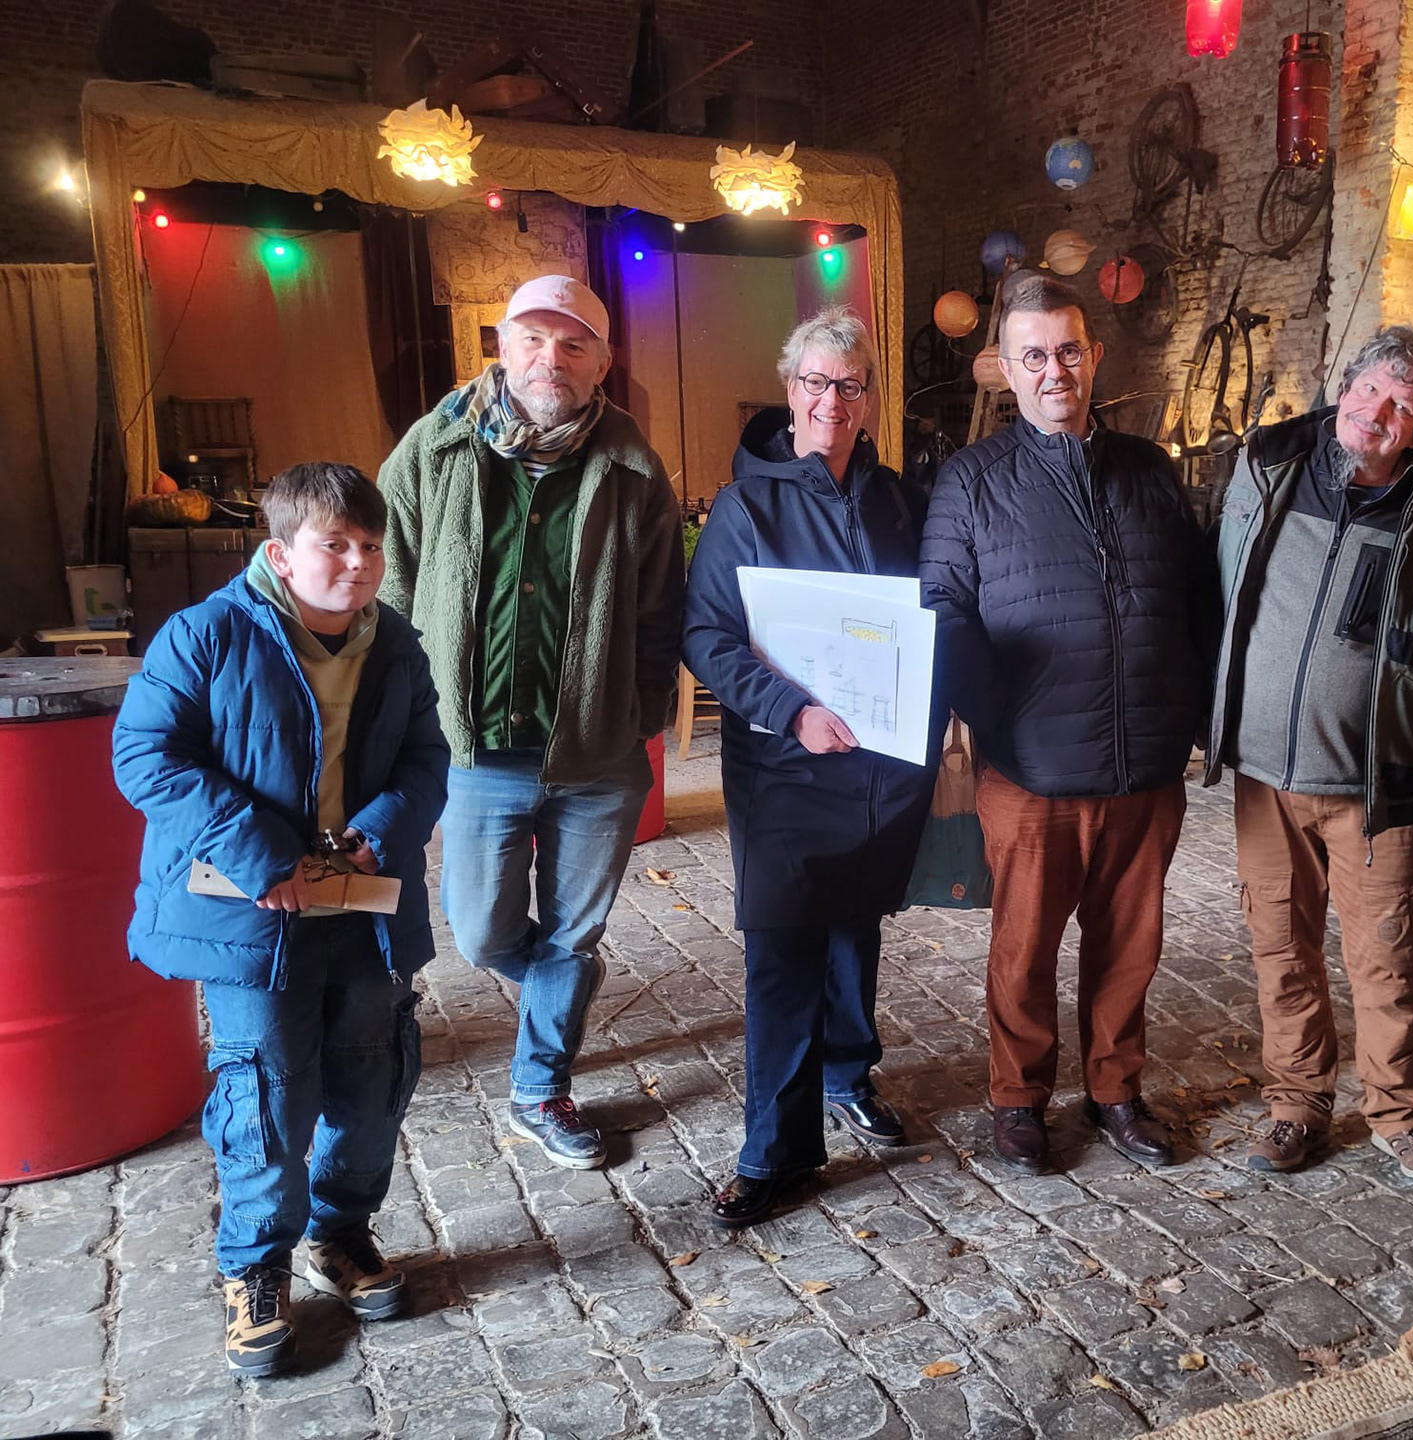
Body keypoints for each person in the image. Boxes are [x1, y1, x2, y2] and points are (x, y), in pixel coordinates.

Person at [112, 463, 449, 1377]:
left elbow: (427, 757)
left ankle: (340, 1235)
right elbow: (146, 754)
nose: (358, 563)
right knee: (266, 1090)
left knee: (372, 1078)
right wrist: (261, 855)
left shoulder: (396, 645)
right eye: (334, 544)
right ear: (281, 554)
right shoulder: (206, 635)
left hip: (360, 904)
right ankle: (256, 1268)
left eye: (371, 546)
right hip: (250, 912)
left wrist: (378, 833)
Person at [379, 275, 684, 1170]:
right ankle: (561, 979)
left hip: (598, 752)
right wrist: (398, 715)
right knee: (480, 932)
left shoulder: (633, 466)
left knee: (573, 930)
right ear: (503, 347)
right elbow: (391, 584)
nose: (552, 358)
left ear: (602, 362)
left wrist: (639, 719)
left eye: (574, 343)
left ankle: (539, 1085)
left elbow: (659, 609)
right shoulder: (433, 448)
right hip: (476, 751)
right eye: (534, 339)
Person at [921, 270, 1215, 1174]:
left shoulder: (1149, 471)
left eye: (1070, 352)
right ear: (1005, 370)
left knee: (1130, 946)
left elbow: (1198, 601)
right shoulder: (971, 481)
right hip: (1033, 768)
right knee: (1024, 949)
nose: (1056, 371)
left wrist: (1193, 716)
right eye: (1035, 356)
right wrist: (995, 719)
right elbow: (942, 611)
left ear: (1095, 356)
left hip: (1145, 762)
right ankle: (1018, 1098)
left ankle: (1116, 1090)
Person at [682, 307, 938, 1227]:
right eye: (817, 383)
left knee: (856, 926)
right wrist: (793, 711)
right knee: (784, 950)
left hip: (877, 763)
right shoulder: (746, 506)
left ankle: (847, 1072)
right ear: (790, 392)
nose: (833, 400)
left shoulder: (898, 500)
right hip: (786, 765)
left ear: (868, 399)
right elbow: (706, 636)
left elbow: (934, 609)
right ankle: (776, 1153)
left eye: (851, 385)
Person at [1204, 326, 1413, 1182]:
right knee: (1281, 949)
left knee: (1387, 957)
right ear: (1344, 383)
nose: (1376, 411)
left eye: (1402, 404)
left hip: (1375, 777)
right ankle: (1296, 1105)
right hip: (1264, 772)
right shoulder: (1268, 464)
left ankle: (1399, 1116)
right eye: (1370, 387)